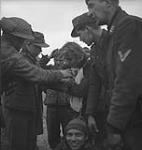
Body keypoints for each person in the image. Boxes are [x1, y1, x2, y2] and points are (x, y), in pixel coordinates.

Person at [0, 17, 72, 150]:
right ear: (14, 38)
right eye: (22, 40)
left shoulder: (12, 53)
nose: (22, 43)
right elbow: (38, 75)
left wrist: (66, 86)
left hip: (23, 109)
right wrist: (63, 74)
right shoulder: (12, 57)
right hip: (16, 110)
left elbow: (40, 80)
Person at [85, 0, 142, 149]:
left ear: (108, 3)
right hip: (128, 118)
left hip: (134, 118)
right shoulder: (114, 32)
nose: (89, 12)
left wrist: (114, 125)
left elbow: (127, 82)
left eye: (91, 5)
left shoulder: (129, 26)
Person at [71, 13, 108, 150]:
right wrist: (90, 114)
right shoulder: (95, 50)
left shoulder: (116, 42)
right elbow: (94, 84)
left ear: (87, 29)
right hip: (103, 109)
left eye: (80, 34)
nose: (80, 39)